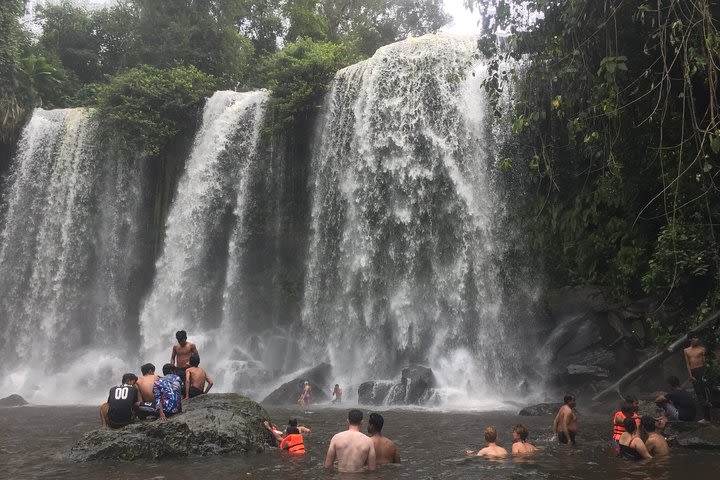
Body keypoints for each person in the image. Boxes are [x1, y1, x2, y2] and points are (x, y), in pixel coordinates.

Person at [684, 332, 712, 424]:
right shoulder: (686, 350)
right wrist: (690, 375)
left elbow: (705, 362)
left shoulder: (702, 349)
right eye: (695, 338)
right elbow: (688, 364)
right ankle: (706, 418)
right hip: (694, 372)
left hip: (702, 370)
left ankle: (708, 415)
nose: (697, 339)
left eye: (697, 337)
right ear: (690, 339)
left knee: (706, 391)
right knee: (699, 393)